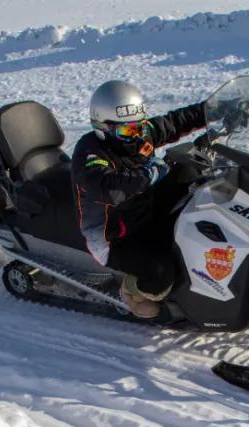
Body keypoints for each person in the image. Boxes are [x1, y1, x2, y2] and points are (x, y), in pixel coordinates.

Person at [71, 80, 207, 319]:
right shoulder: (90, 153)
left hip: (143, 211)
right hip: (114, 236)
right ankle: (131, 290)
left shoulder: (139, 133)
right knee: (160, 275)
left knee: (190, 175)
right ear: (102, 127)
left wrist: (214, 110)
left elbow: (175, 122)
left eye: (139, 127)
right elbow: (106, 186)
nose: (136, 136)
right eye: (127, 131)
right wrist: (146, 175)